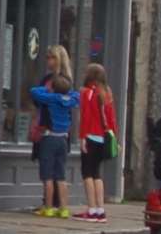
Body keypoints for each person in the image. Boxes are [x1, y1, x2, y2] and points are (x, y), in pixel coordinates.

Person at [30, 73, 79, 218]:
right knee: (61, 176)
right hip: (63, 140)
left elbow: (34, 91)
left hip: (49, 138)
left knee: (48, 176)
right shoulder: (70, 100)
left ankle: (49, 207)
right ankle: (64, 209)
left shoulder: (50, 99)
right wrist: (66, 91)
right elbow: (76, 95)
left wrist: (47, 90)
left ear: (53, 89)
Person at [78, 63, 118, 223]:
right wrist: (115, 136)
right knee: (97, 173)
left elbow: (85, 117)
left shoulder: (88, 92)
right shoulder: (107, 92)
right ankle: (101, 210)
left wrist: (82, 137)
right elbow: (112, 117)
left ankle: (92, 209)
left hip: (91, 137)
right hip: (104, 137)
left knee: (87, 173)